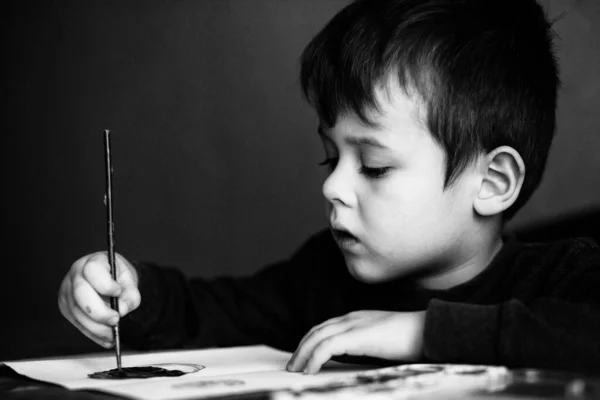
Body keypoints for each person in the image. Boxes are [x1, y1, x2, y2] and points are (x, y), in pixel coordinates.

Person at [58, 0, 600, 374]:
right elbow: (213, 314)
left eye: (374, 165)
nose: (334, 186)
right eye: (330, 156)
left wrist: (419, 334)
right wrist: (127, 294)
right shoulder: (323, 279)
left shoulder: (562, 279)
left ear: (492, 181)